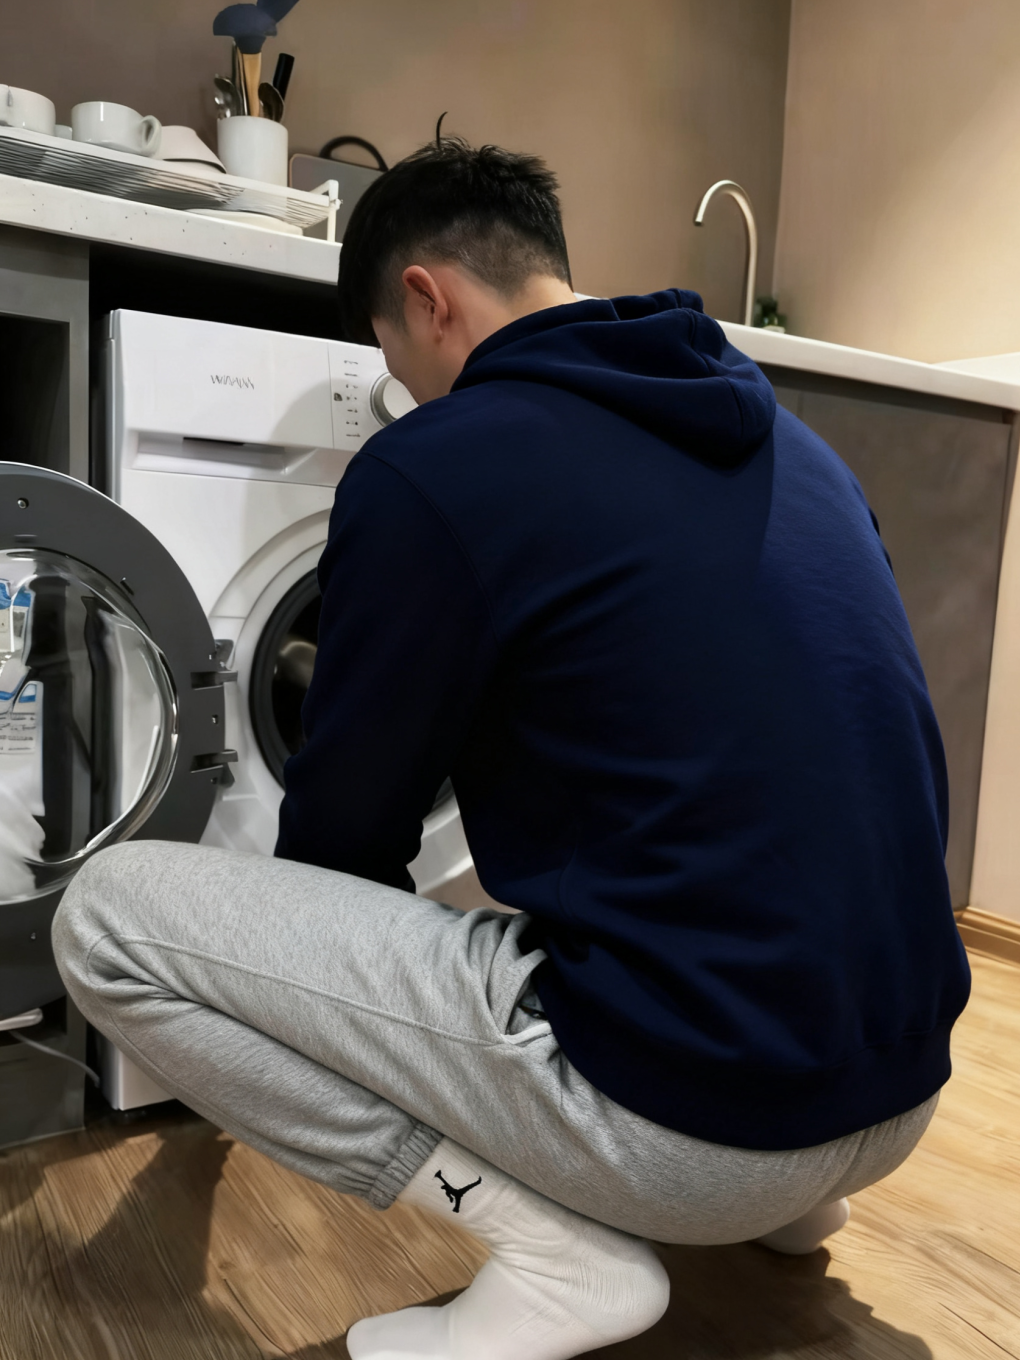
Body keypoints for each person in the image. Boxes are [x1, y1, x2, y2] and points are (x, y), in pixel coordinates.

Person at [54, 139, 971, 1360]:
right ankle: (791, 1198)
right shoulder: (790, 443)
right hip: (898, 1082)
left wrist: (293, 1003)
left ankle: (557, 1257)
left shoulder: (439, 464)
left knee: (105, 918)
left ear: (426, 297)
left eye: (395, 361)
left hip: (702, 1133)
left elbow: (346, 839)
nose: (409, 393)